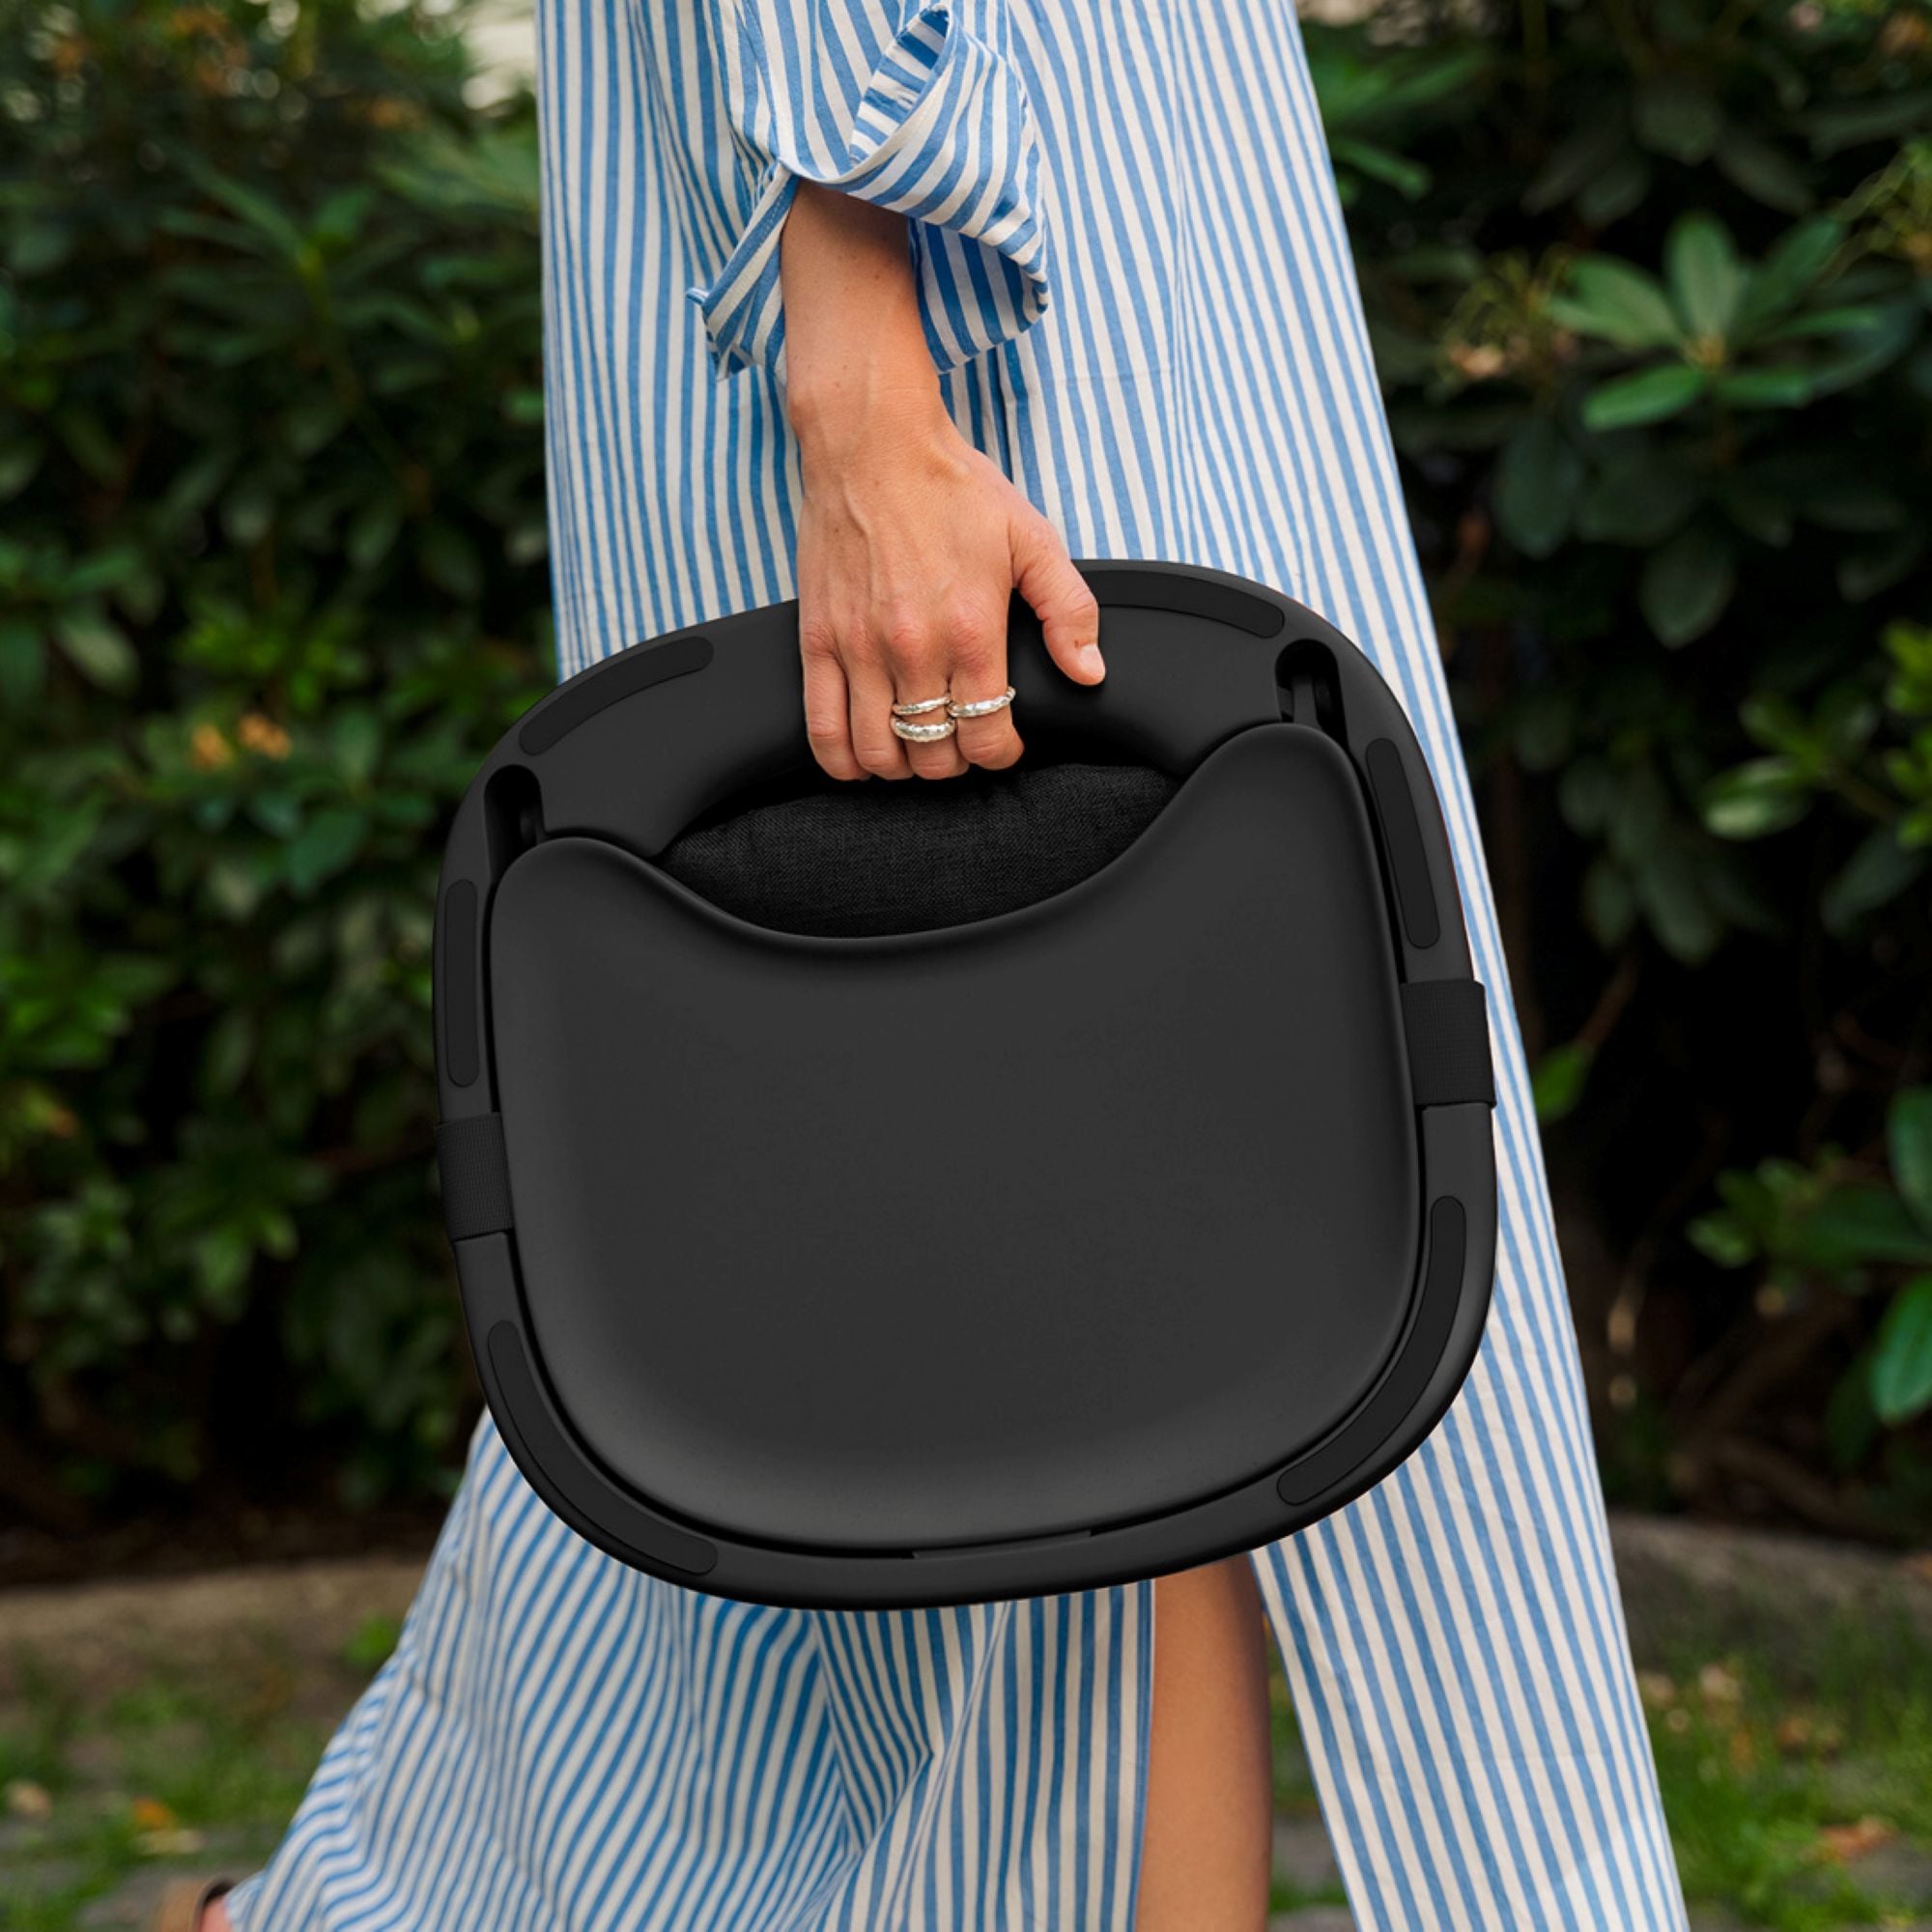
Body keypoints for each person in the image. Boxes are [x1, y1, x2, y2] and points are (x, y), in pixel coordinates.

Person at [158, 2, 1690, 1926]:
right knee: (1082, 1285)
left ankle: (373, 1901)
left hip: (1052, 216)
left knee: (902, 1282)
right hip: (960, 278)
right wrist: (862, 348)